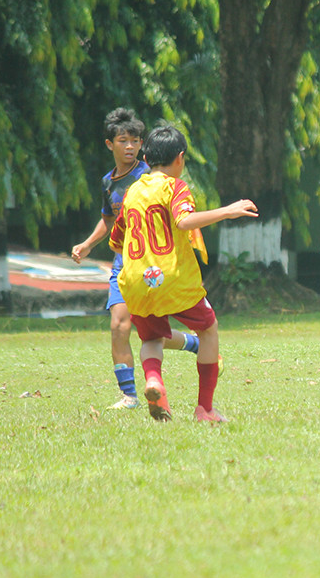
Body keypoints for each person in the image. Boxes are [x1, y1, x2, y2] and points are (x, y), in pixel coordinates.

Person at [108, 124, 258, 422]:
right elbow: (185, 221)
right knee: (208, 329)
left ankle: (153, 380)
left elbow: (117, 241)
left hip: (136, 281)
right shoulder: (175, 186)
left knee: (151, 338)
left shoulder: (132, 191)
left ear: (146, 158)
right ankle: (205, 409)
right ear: (180, 158)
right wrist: (228, 210)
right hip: (173, 279)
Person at [71, 108, 203, 410]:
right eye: (123, 141)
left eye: (135, 141)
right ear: (110, 144)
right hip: (123, 262)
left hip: (153, 263)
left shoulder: (149, 174)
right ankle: (129, 395)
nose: (130, 147)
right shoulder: (109, 182)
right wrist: (89, 243)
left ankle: (193, 342)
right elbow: (110, 218)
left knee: (149, 331)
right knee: (119, 325)